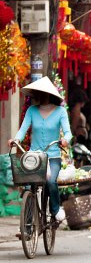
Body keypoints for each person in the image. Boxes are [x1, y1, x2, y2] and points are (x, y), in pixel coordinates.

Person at [8, 77, 72, 222]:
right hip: (34, 157)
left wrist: (65, 140)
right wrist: (16, 140)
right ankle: (28, 222)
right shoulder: (32, 110)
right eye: (38, 92)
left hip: (53, 156)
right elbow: (23, 129)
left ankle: (55, 210)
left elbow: (68, 133)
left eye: (43, 92)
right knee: (28, 185)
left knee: (51, 182)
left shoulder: (60, 111)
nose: (40, 95)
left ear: (50, 94)